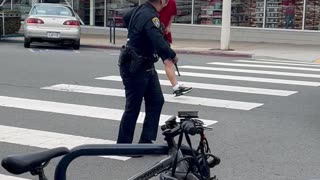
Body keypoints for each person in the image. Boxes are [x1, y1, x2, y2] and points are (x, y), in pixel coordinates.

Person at [116, 0, 178, 146]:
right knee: (133, 106)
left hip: (145, 64)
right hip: (135, 66)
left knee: (156, 100)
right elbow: (158, 41)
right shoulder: (150, 16)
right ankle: (123, 145)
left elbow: (126, 18)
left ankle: (146, 140)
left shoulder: (140, 10)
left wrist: (137, 36)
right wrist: (172, 55)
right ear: (162, 1)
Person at [159, 0, 192, 97]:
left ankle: (176, 87)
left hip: (163, 35)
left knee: (167, 61)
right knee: (148, 63)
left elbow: (172, 14)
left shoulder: (172, 2)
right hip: (153, 35)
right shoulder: (154, 4)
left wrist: (169, 26)